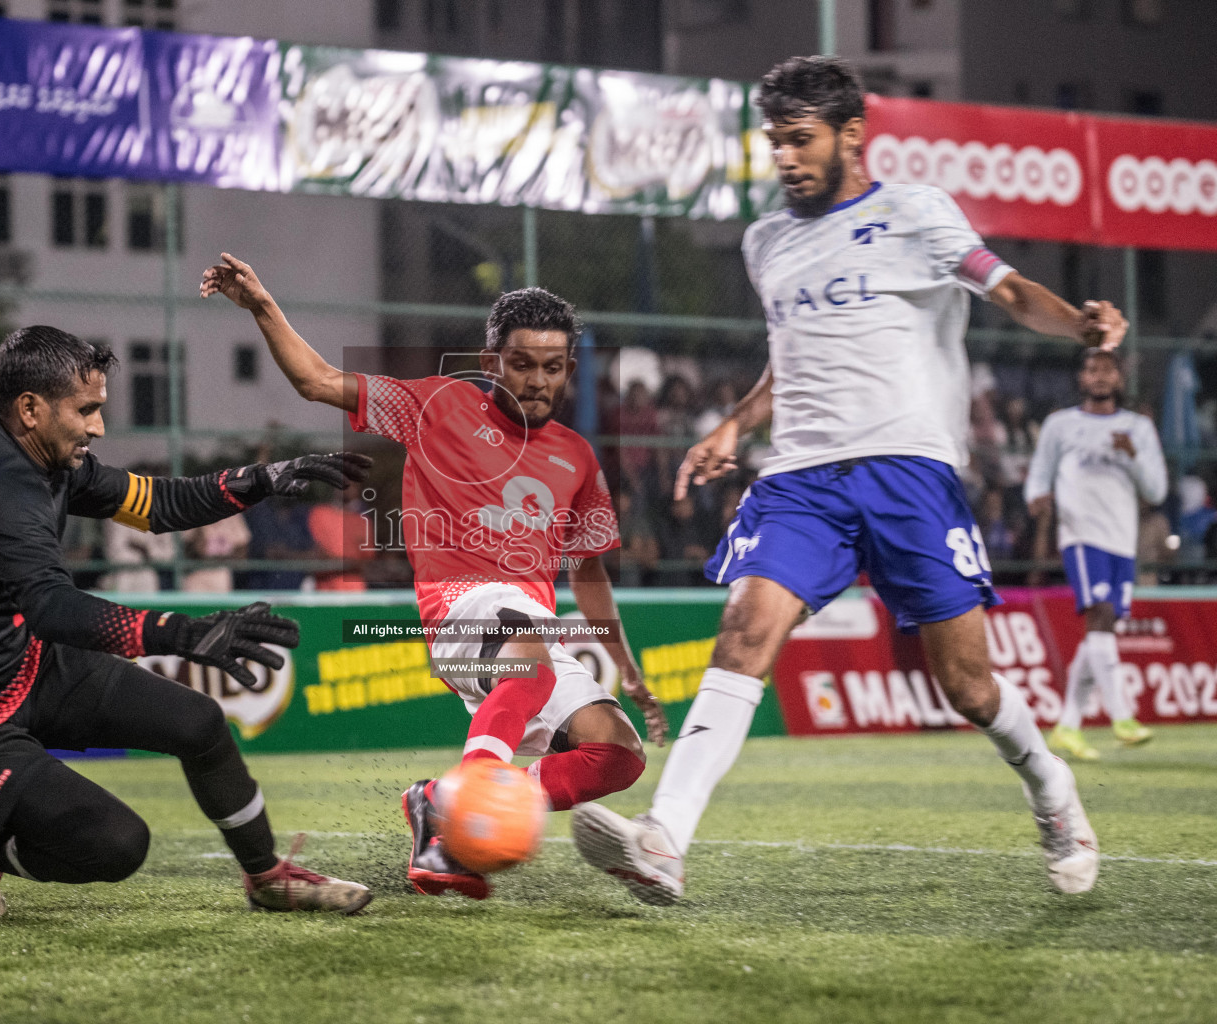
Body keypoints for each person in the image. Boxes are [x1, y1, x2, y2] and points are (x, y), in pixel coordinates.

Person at [567, 55, 1127, 905]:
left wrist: (1081, 328)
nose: (785, 158)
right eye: (775, 143)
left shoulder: (915, 213)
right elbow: (787, 365)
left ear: (852, 134)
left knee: (969, 687)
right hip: (801, 476)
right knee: (744, 631)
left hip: (909, 472)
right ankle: (665, 841)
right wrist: (733, 424)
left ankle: (1053, 792)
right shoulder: (766, 242)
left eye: (801, 140)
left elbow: (1008, 291)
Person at [203, 257, 669, 901]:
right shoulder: (436, 404)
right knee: (527, 649)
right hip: (464, 611)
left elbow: (588, 573)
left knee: (618, 753)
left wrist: (629, 667)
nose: (538, 380)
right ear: (491, 360)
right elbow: (318, 381)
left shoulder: (576, 456)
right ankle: (466, 812)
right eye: (522, 363)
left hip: (530, 632)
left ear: (570, 369)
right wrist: (261, 307)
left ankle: (442, 805)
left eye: (553, 366)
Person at [0, 325, 375, 919]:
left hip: (19, 665)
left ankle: (266, 879)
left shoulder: (42, 460)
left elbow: (157, 504)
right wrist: (182, 634)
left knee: (198, 722)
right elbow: (53, 607)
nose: (98, 427)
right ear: (30, 409)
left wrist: (259, 480)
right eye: (86, 410)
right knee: (115, 846)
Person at [1027, 350, 1168, 760]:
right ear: (1081, 377)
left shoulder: (1137, 428)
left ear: (1119, 379)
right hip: (1080, 533)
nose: (1100, 376)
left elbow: (1157, 491)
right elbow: (1040, 471)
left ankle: (1068, 726)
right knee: (1100, 613)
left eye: (1108, 369)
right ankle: (1121, 715)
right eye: (1092, 369)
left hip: (1122, 539)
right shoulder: (1061, 424)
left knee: (1099, 632)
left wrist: (1132, 455)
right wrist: (1036, 496)